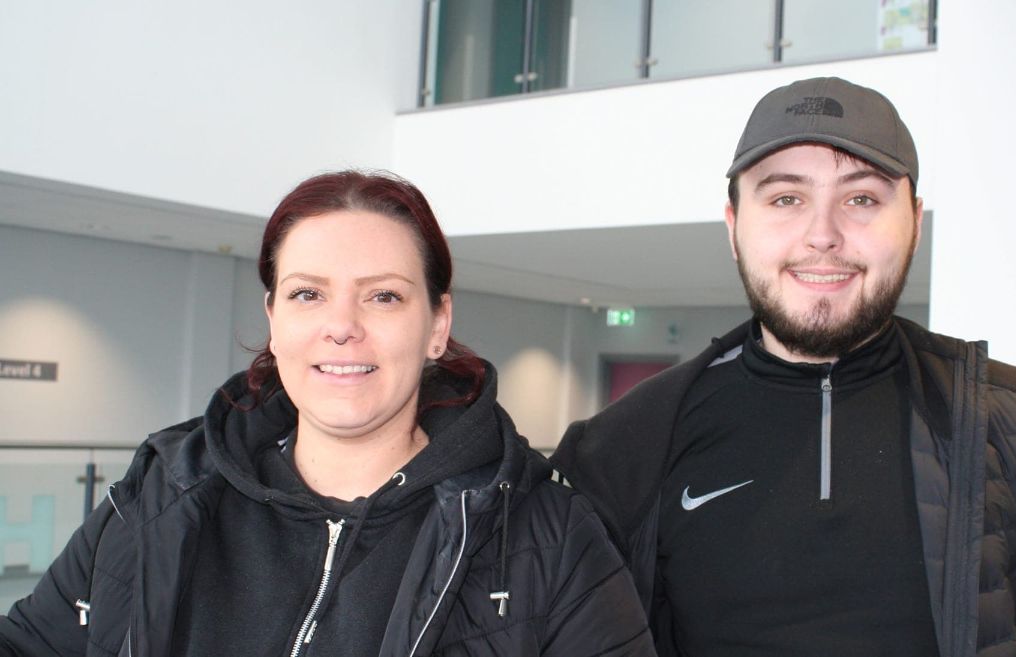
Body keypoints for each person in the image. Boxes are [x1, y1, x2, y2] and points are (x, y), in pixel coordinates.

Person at [551, 77, 1016, 656]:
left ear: (915, 222)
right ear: (733, 226)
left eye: (862, 199)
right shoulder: (625, 444)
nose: (823, 235)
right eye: (786, 198)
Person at [0, 171, 653, 656]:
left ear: (437, 324)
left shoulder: (547, 533)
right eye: (308, 293)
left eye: (384, 297)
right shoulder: (164, 490)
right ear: (275, 321)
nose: (341, 326)